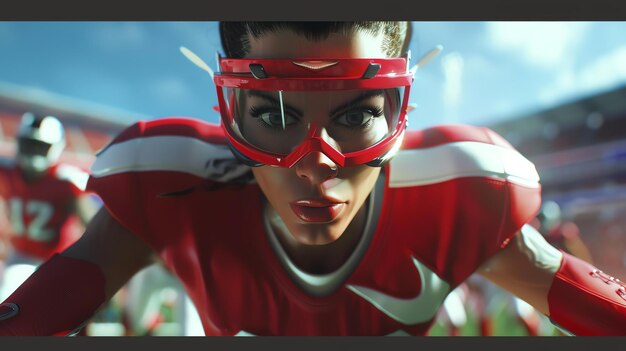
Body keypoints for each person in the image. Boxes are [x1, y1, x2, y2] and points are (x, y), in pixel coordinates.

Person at [1, 21, 625, 336]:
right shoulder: (167, 184)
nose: (315, 161)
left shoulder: (464, 194)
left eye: (355, 114)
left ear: (401, 114)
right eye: (274, 115)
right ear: (227, 113)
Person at [0, 113, 98, 302]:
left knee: (72, 312)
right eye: (29, 143)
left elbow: (91, 222)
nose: (33, 151)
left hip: (59, 259)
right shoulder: (6, 172)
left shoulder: (66, 180)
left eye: (40, 146)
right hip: (22, 255)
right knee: (6, 300)